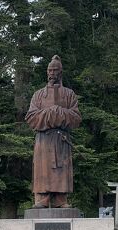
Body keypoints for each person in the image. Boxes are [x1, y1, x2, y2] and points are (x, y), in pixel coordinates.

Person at [25, 55, 82, 208]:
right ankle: (41, 199)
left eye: (55, 70)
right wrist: (50, 113)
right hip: (43, 139)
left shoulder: (69, 94)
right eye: (49, 70)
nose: (51, 73)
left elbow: (76, 118)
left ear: (60, 73)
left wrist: (60, 113)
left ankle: (60, 199)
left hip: (61, 139)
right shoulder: (38, 95)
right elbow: (31, 118)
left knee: (61, 169)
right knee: (42, 169)